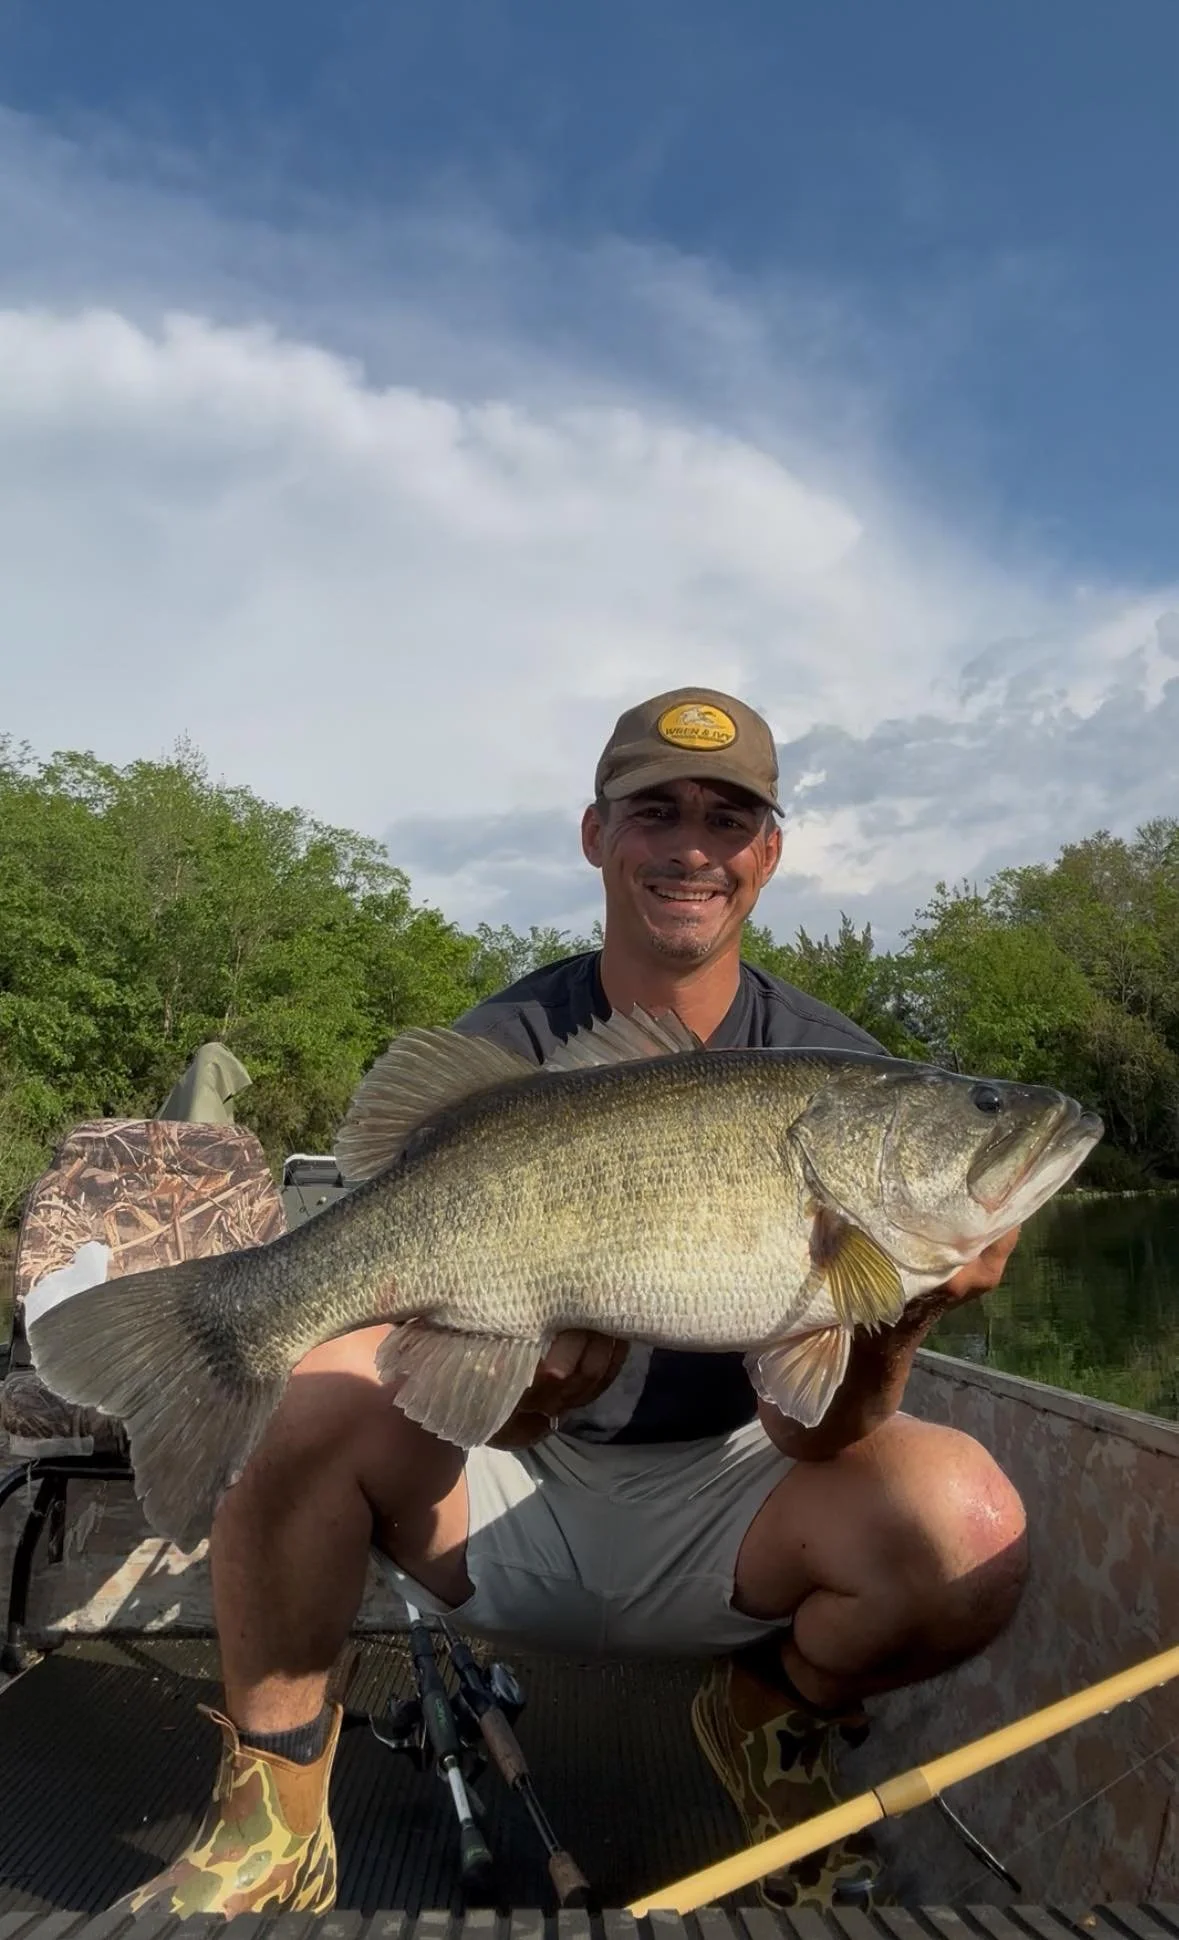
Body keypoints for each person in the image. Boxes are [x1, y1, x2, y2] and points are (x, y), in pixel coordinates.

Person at [116, 687, 1026, 1920]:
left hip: (734, 1501)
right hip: (510, 1483)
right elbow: (438, 1379)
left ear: (768, 852)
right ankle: (270, 1813)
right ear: (597, 834)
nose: (692, 847)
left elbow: (811, 1431)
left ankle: (771, 1714)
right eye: (657, 811)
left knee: (970, 1520)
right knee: (300, 1401)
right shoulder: (507, 1040)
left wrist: (898, 1314)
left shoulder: (838, 1064)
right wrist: (530, 1400)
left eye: (727, 818)